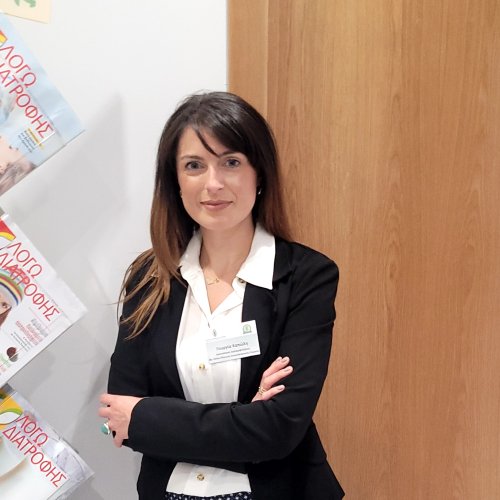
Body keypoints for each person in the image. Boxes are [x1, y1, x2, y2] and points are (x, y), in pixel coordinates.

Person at [99, 91, 344, 499]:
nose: (213, 184)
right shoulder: (149, 277)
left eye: (231, 162)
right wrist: (247, 417)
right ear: (175, 180)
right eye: (194, 165)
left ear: (259, 174)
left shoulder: (307, 276)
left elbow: (280, 429)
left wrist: (149, 417)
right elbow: (117, 419)